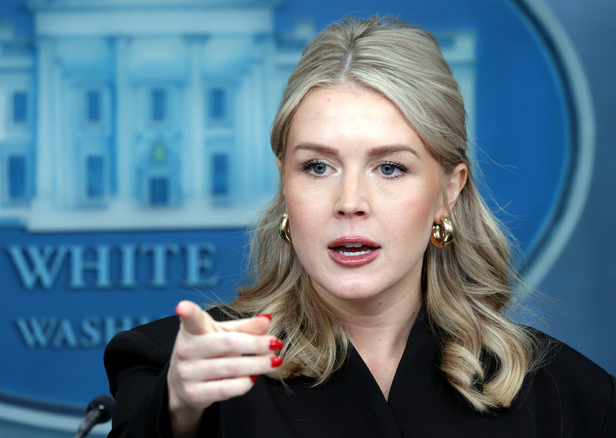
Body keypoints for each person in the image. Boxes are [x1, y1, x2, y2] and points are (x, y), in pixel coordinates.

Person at [104, 16, 616, 437]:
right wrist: (177, 411)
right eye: (317, 167)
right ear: (284, 184)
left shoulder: (572, 398)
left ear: (449, 191)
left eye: (389, 168)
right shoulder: (172, 371)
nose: (350, 203)